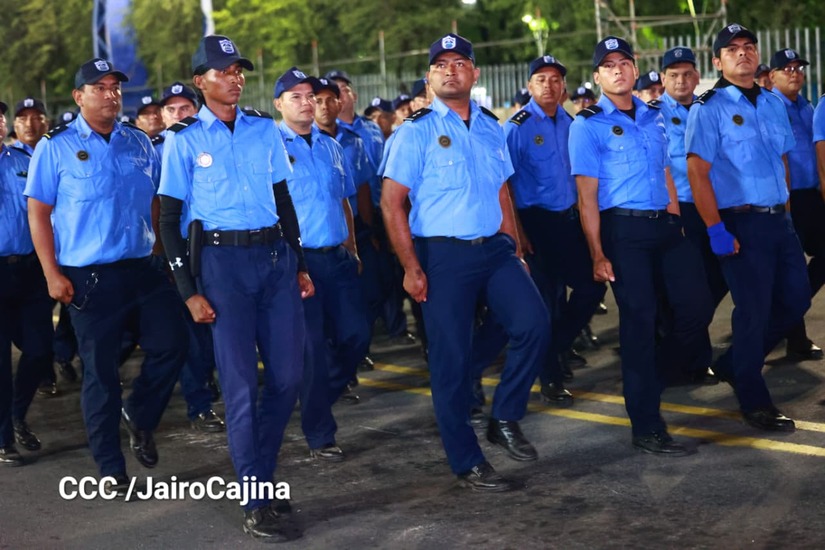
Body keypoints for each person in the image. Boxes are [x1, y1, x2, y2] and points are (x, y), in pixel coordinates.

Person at [382, 33, 550, 491]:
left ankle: (505, 416)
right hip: (442, 254)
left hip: (494, 248)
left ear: (474, 74)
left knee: (534, 322)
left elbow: (501, 190)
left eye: (460, 63)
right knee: (450, 360)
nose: (450, 70)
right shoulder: (414, 133)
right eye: (441, 64)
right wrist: (411, 266)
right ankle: (466, 459)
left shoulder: (492, 127)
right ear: (429, 77)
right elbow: (392, 203)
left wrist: (514, 247)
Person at [158, 36, 310, 541]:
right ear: (200, 81)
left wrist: (300, 262)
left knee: (288, 378)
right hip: (222, 267)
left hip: (274, 260)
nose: (235, 77)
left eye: (239, 70)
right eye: (223, 71)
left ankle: (260, 475)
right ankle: (254, 497)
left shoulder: (264, 131)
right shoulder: (182, 139)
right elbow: (169, 220)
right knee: (241, 385)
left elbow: (283, 200)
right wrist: (188, 289)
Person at [25, 58, 188, 485]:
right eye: (100, 87)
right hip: (88, 277)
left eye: (115, 87)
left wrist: (162, 254)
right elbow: (38, 213)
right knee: (101, 374)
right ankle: (110, 466)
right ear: (79, 97)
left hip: (143, 269)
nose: (111, 94)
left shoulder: (138, 141)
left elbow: (156, 202)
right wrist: (51, 274)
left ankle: (140, 413)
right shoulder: (55, 146)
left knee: (174, 342)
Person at [569, 36, 713, 455]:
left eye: (624, 62)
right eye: (608, 65)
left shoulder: (654, 116)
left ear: (635, 70)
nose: (618, 69)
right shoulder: (588, 124)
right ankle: (646, 424)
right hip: (623, 232)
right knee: (640, 321)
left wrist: (675, 219)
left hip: (665, 227)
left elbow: (666, 170)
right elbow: (586, 197)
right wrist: (597, 252)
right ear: (597, 76)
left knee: (697, 306)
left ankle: (652, 376)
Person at [686, 24, 809, 432]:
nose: (743, 54)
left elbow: (783, 161)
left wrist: (787, 212)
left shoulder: (774, 103)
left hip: (777, 219)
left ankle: (734, 362)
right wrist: (716, 230)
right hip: (739, 222)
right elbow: (697, 173)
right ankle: (754, 398)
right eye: (732, 49)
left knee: (796, 301)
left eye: (749, 47)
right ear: (718, 61)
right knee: (753, 312)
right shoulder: (708, 107)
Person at [276, 68, 369, 460]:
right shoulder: (270, 148)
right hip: (301, 262)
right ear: (279, 104)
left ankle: (314, 400)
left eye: (310, 96)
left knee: (357, 336)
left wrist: (352, 245)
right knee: (312, 348)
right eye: (295, 96)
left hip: (337, 256)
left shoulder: (331, 146)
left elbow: (344, 201)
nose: (306, 102)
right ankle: (319, 432)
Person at [504, 54, 607, 403]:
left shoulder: (574, 124)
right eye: (541, 79)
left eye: (555, 79)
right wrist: (518, 234)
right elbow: (507, 186)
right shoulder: (517, 127)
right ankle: (550, 376)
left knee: (592, 288)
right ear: (530, 86)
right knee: (547, 302)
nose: (549, 85)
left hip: (570, 220)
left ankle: (554, 349)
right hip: (535, 223)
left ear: (564, 87)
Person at [655, 46, 720, 385]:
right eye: (673, 75)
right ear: (663, 79)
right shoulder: (650, 114)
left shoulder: (708, 109)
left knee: (712, 284)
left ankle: (691, 357)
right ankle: (678, 363)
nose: (681, 80)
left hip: (710, 206)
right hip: (676, 209)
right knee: (691, 294)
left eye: (686, 74)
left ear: (697, 77)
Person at [0, 100, 53, 466]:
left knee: (39, 349)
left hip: (29, 270)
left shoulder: (24, 161)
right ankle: (4, 439)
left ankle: (16, 412)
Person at [768, 48, 825, 361]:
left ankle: (791, 323)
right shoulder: (771, 106)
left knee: (808, 267)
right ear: (772, 76)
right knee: (788, 272)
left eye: (797, 68)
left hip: (811, 196)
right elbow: (781, 157)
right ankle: (791, 333)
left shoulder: (806, 106)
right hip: (787, 199)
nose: (794, 73)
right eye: (786, 69)